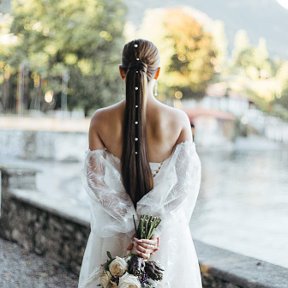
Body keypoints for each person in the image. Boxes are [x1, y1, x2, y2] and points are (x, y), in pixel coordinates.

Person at [78, 39, 202, 288]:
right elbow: (184, 187)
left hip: (116, 235)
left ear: (121, 72)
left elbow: (96, 184)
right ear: (157, 72)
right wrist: (151, 231)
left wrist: (128, 224)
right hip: (163, 238)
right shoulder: (178, 120)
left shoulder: (100, 120)